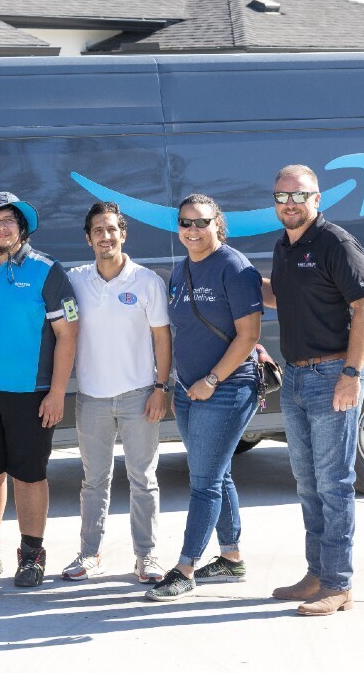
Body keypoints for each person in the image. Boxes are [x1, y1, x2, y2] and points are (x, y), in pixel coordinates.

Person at [263, 165, 364, 616]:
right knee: (308, 484)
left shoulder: (336, 243)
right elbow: (283, 295)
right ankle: (316, 574)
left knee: (334, 484)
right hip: (295, 377)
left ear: (317, 199)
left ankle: (338, 583)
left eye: (299, 196)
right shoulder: (284, 246)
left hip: (333, 376)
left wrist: (352, 373)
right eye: (281, 197)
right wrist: (234, 274)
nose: (289, 204)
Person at [0, 191, 78, 587]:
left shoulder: (48, 270)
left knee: (29, 475)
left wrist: (57, 392)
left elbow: (68, 335)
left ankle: (31, 554)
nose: (2, 227)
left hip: (32, 393)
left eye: (10, 220)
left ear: (22, 228)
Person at [145, 194, 262, 601]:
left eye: (201, 222)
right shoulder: (179, 272)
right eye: (185, 223)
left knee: (205, 482)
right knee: (218, 474)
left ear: (218, 224)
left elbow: (249, 335)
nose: (192, 230)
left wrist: (211, 380)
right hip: (189, 390)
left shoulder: (234, 267)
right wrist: (182, 385)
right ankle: (231, 558)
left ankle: (185, 567)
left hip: (226, 388)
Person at [63, 202, 171, 585]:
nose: (105, 237)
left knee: (144, 479)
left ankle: (147, 556)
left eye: (112, 229)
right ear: (88, 238)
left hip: (139, 395)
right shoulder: (75, 280)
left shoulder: (146, 282)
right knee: (94, 480)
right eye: (97, 231)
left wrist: (161, 387)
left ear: (123, 233)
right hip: (91, 397)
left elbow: (162, 336)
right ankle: (90, 554)